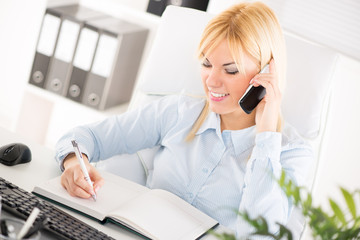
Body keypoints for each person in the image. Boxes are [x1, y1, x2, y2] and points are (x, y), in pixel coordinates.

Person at [55, 2, 313, 238]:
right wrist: (73, 163)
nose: (211, 81)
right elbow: (84, 137)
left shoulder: (292, 153)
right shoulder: (180, 112)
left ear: (266, 74)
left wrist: (266, 134)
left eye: (231, 69)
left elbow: (260, 236)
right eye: (207, 64)